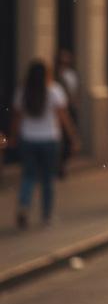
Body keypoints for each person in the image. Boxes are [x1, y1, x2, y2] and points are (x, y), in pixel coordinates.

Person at [11, 57, 80, 228]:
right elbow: (64, 117)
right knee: (48, 179)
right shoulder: (54, 90)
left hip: (28, 138)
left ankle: (24, 206)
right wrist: (73, 137)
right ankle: (46, 216)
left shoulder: (23, 91)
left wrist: (13, 136)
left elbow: (17, 117)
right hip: (49, 139)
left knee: (28, 176)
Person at [54, 48, 81, 179]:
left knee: (68, 138)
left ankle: (62, 163)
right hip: (60, 109)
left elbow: (75, 90)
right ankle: (59, 166)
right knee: (63, 136)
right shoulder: (55, 76)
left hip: (70, 108)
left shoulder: (72, 74)